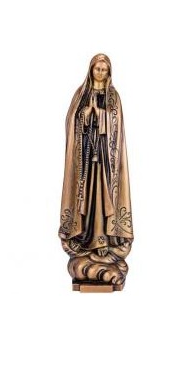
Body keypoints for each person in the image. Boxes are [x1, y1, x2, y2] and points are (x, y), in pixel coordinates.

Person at [59, 53, 134, 288]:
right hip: (85, 160)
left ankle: (103, 242)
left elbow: (116, 126)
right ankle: (86, 240)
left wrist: (98, 114)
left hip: (105, 159)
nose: (100, 73)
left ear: (109, 72)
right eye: (97, 69)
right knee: (86, 200)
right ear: (91, 70)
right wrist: (85, 114)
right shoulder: (81, 94)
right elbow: (72, 120)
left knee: (103, 199)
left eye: (104, 70)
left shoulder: (113, 97)